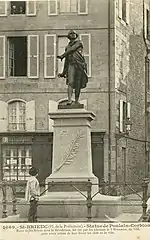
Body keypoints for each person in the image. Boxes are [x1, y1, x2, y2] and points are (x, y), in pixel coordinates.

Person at [57, 30, 88, 105]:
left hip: (79, 64)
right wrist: (63, 72)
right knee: (70, 82)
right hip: (71, 64)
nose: (73, 34)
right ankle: (69, 100)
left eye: (74, 33)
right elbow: (66, 61)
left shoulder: (79, 43)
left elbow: (72, 49)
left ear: (76, 35)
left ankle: (76, 100)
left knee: (78, 84)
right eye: (71, 33)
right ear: (68, 36)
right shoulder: (67, 47)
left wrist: (62, 55)